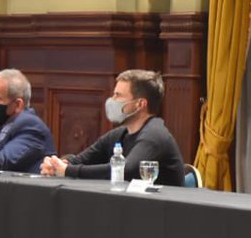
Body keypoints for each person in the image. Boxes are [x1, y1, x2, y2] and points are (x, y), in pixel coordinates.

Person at [40, 69, 185, 187]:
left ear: (140, 104)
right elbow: (82, 160)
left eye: (118, 95)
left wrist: (67, 171)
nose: (112, 101)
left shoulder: (155, 135)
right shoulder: (119, 134)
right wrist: (57, 165)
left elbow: (124, 170)